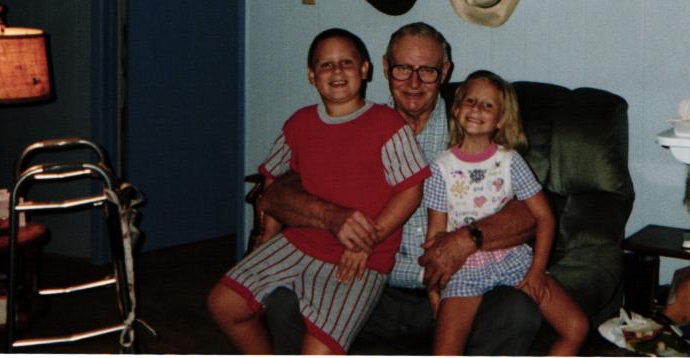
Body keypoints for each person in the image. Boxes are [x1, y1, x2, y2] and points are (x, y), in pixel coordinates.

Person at [259, 22, 542, 354]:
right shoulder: (359, 126)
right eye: (402, 69)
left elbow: (530, 212)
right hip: (368, 287)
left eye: (427, 71)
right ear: (384, 67)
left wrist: (468, 239)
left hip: (458, 289)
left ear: (445, 71)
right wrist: (329, 216)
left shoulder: (473, 128)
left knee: (517, 312)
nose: (413, 83)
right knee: (286, 303)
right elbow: (278, 189)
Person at [206, 28, 430, 354]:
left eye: (346, 62)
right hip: (300, 241)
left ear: (364, 69)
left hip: (361, 257)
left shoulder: (387, 124)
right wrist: (267, 234)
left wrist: (367, 240)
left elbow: (410, 191)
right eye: (326, 65)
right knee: (223, 303)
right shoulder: (299, 123)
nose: (337, 71)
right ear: (312, 76)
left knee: (318, 351)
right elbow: (272, 180)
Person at [425, 70, 589, 356]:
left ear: (500, 119)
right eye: (470, 101)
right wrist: (434, 295)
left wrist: (537, 270)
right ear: (456, 109)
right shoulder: (440, 168)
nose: (477, 109)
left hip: (513, 259)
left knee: (577, 327)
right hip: (464, 269)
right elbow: (434, 240)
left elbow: (545, 216)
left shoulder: (510, 161)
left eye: (487, 105)